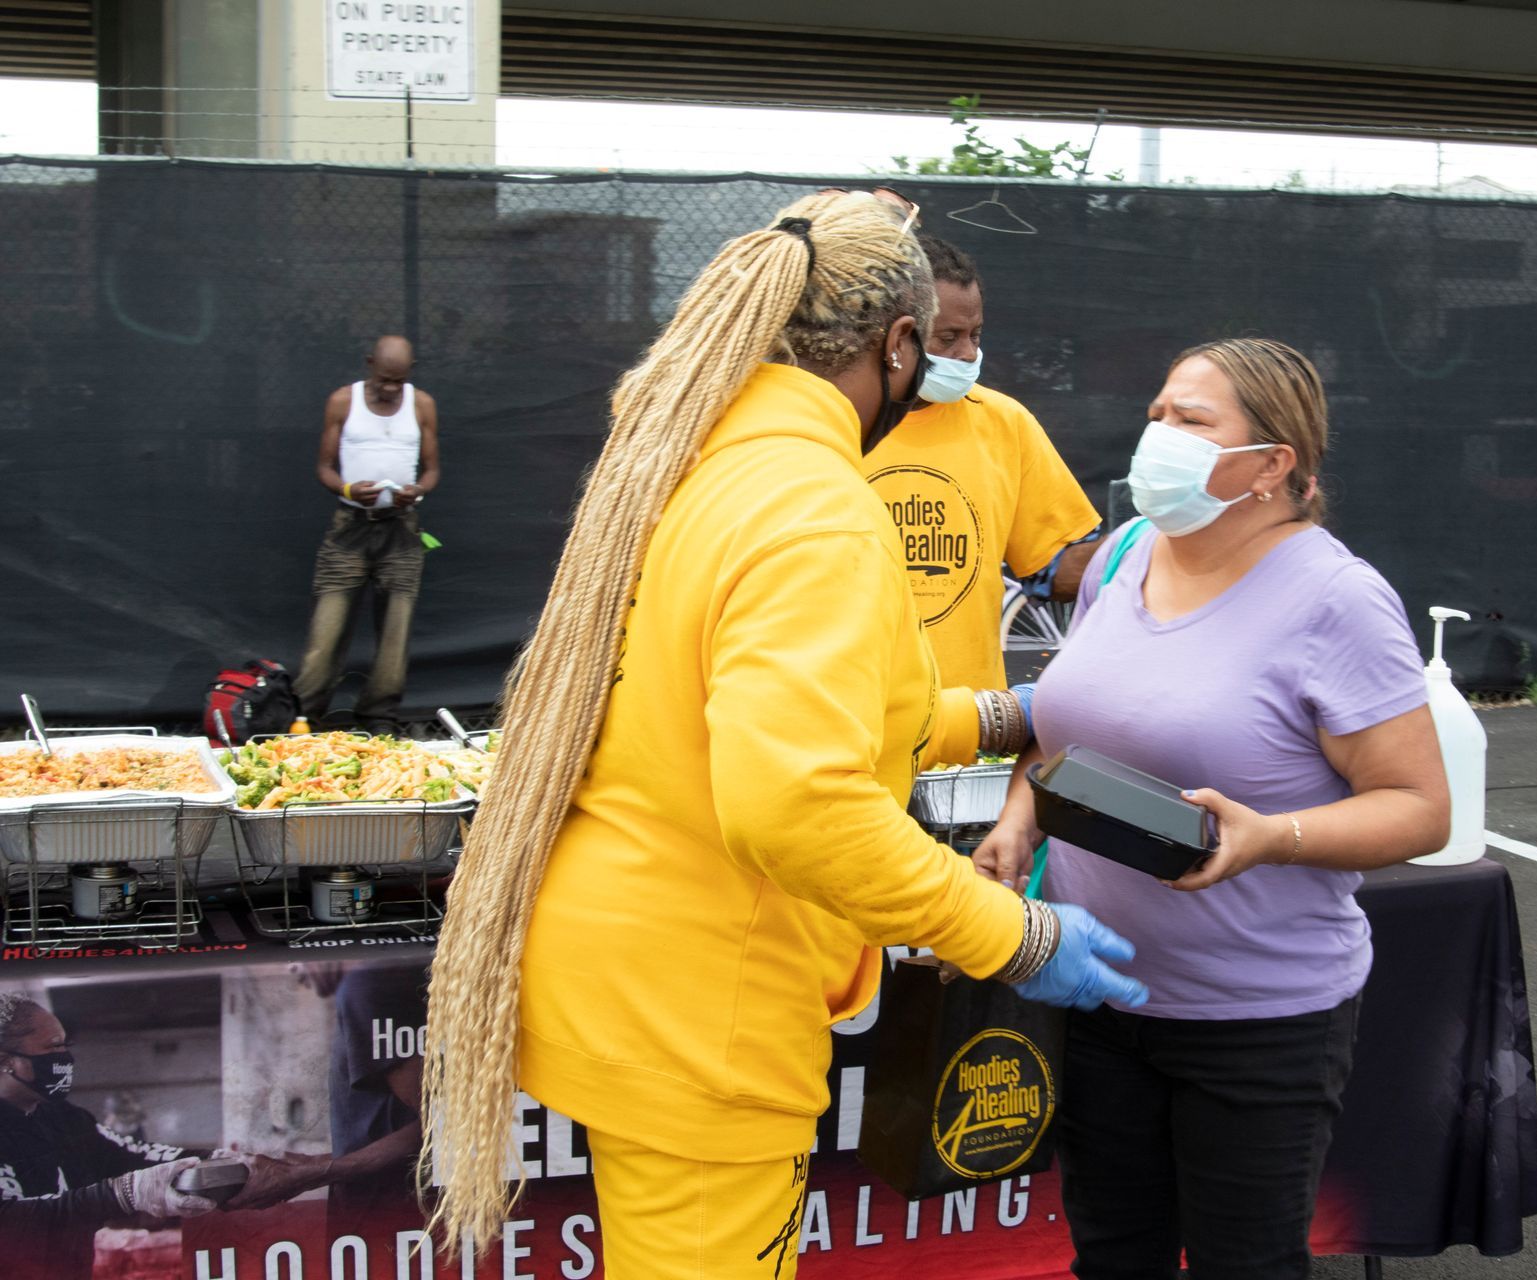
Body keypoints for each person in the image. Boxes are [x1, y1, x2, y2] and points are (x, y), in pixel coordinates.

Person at [420, 190, 1146, 1279]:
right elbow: (796, 801)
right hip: (701, 1001)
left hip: (633, 968)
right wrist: (1011, 933)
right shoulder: (814, 506)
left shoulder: (701, 461)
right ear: (899, 344)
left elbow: (773, 724)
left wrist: (1011, 714)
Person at [972, 337, 1450, 1280]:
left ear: (1274, 464)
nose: (1159, 435)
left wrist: (1275, 837)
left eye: (1191, 421)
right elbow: (1067, 726)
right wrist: (1019, 815)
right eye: (1158, 414)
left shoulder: (1338, 600)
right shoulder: (1124, 555)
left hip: (1257, 1021)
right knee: (1114, 1257)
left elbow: (1420, 808)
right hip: (1094, 986)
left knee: (1247, 1264)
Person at [863, 234, 1101, 695]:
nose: (969, 354)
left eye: (976, 335)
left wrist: (1147, 550)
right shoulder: (836, 423)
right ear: (893, 335)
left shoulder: (1003, 422)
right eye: (948, 338)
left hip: (968, 727)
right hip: (853, 721)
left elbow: (1051, 567)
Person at [0, 993, 217, 1279]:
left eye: (66, 1045)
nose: (65, 1057)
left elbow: (131, 1156)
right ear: (6, 1061)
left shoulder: (61, 1118)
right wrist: (124, 1193)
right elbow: (11, 1220)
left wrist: (216, 1161)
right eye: (54, 1047)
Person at [291, 335, 441, 735]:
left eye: (399, 380)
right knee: (327, 629)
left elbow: (431, 469)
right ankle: (305, 715)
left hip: (402, 530)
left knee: (396, 630)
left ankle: (379, 716)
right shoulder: (344, 401)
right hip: (351, 527)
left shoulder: (421, 404)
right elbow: (324, 467)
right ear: (370, 363)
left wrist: (419, 490)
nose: (391, 388)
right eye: (384, 379)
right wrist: (347, 490)